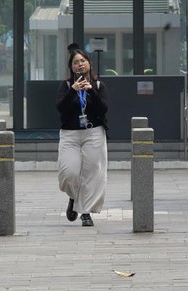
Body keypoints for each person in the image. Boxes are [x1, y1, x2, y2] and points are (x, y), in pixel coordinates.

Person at [56, 43, 109, 227]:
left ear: (89, 64)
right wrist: (73, 91)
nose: (80, 64)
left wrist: (90, 91)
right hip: (70, 134)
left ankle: (86, 212)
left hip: (93, 133)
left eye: (83, 61)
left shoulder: (99, 85)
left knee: (92, 174)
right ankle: (73, 197)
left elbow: (103, 108)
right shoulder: (66, 85)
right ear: (71, 67)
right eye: (76, 62)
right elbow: (60, 108)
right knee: (68, 173)